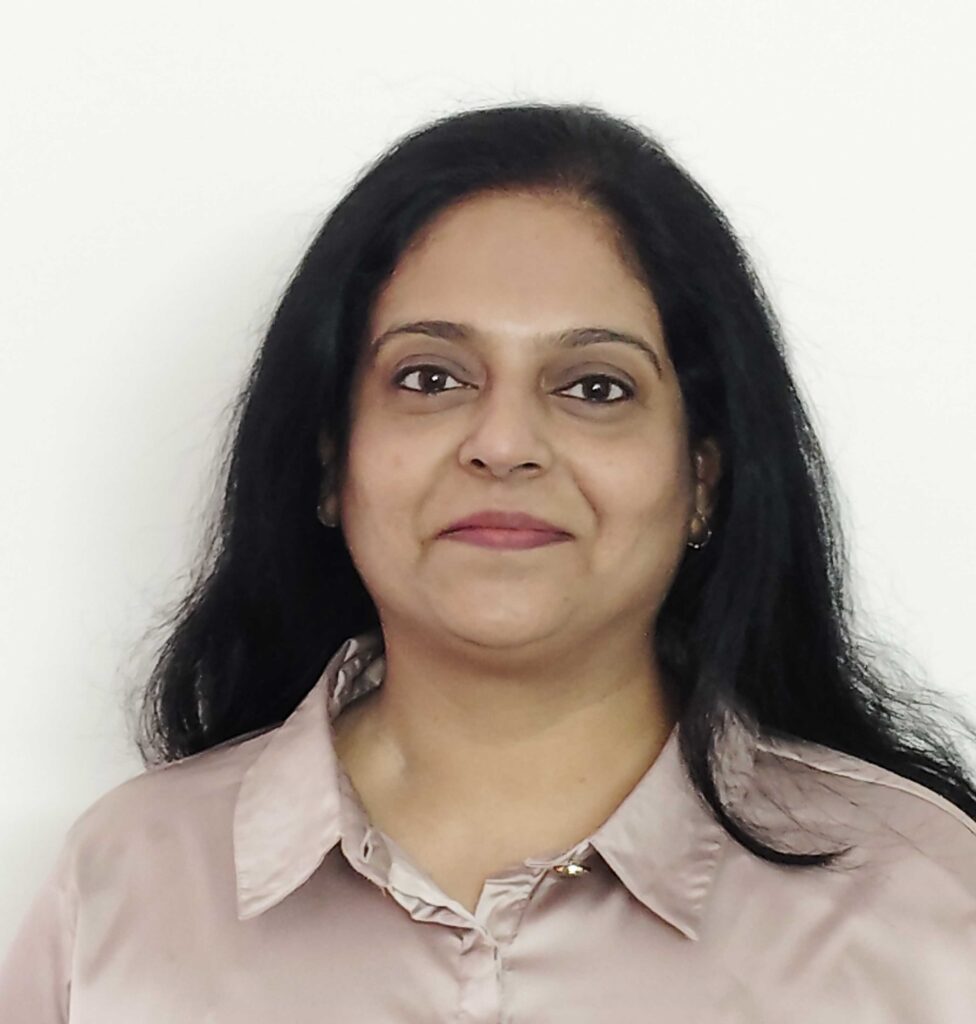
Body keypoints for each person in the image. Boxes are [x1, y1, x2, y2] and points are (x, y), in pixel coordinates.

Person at [2, 102, 975, 1022]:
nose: (503, 442)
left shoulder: (925, 900)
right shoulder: (125, 880)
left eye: (595, 386)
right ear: (331, 465)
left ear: (704, 480)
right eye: (430, 377)